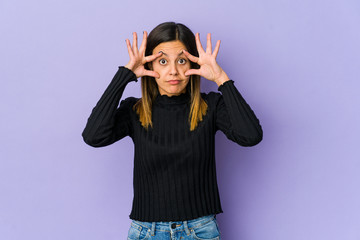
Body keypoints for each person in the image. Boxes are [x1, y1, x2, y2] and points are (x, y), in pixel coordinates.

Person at [82, 22, 263, 240]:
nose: (173, 70)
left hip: (200, 231)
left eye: (181, 60)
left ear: (192, 63)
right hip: (146, 232)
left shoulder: (211, 106)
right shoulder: (135, 110)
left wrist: (221, 79)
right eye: (163, 61)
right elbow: (93, 136)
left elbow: (251, 136)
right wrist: (126, 74)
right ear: (150, 66)